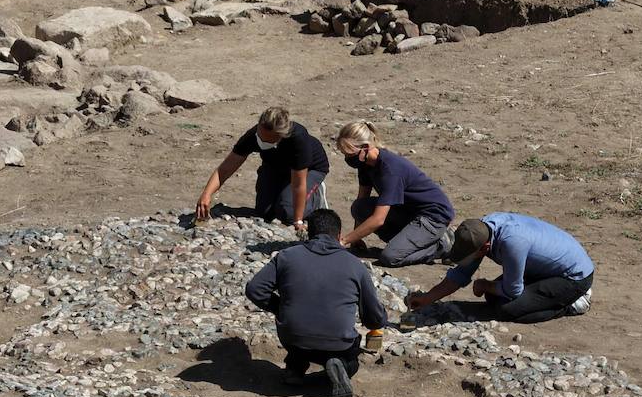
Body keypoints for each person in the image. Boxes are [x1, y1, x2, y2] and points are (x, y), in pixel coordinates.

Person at [244, 208, 387, 397]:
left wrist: (280, 307)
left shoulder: (287, 256)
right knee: (351, 357)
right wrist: (378, 321)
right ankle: (339, 365)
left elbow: (255, 289)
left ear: (309, 234)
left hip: (294, 338)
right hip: (338, 342)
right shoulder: (354, 265)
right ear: (338, 236)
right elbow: (374, 319)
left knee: (299, 336)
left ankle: (295, 369)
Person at [407, 214, 595, 323]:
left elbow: (513, 290)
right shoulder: (481, 230)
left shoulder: (512, 243)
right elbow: (459, 275)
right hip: (544, 268)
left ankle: (571, 304)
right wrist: (426, 299)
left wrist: (485, 285)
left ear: (484, 248)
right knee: (493, 297)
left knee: (507, 309)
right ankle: (551, 297)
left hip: (574, 276)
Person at [335, 120, 455, 266]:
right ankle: (407, 243)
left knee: (390, 257)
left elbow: (378, 219)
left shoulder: (390, 170)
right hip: (408, 211)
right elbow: (362, 198)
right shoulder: (366, 165)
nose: (347, 159)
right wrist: (356, 238)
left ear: (365, 148)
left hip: (433, 217)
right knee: (359, 207)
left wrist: (344, 241)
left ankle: (442, 246)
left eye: (350, 154)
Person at [195, 107, 330, 232]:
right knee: (264, 213)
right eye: (260, 135)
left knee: (288, 213)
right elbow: (225, 169)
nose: (261, 140)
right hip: (275, 167)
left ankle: (315, 196)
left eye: (267, 140)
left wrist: (298, 220)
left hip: (310, 169)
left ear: (280, 137)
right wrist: (207, 193)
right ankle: (282, 192)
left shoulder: (298, 139)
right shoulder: (253, 136)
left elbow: (298, 184)